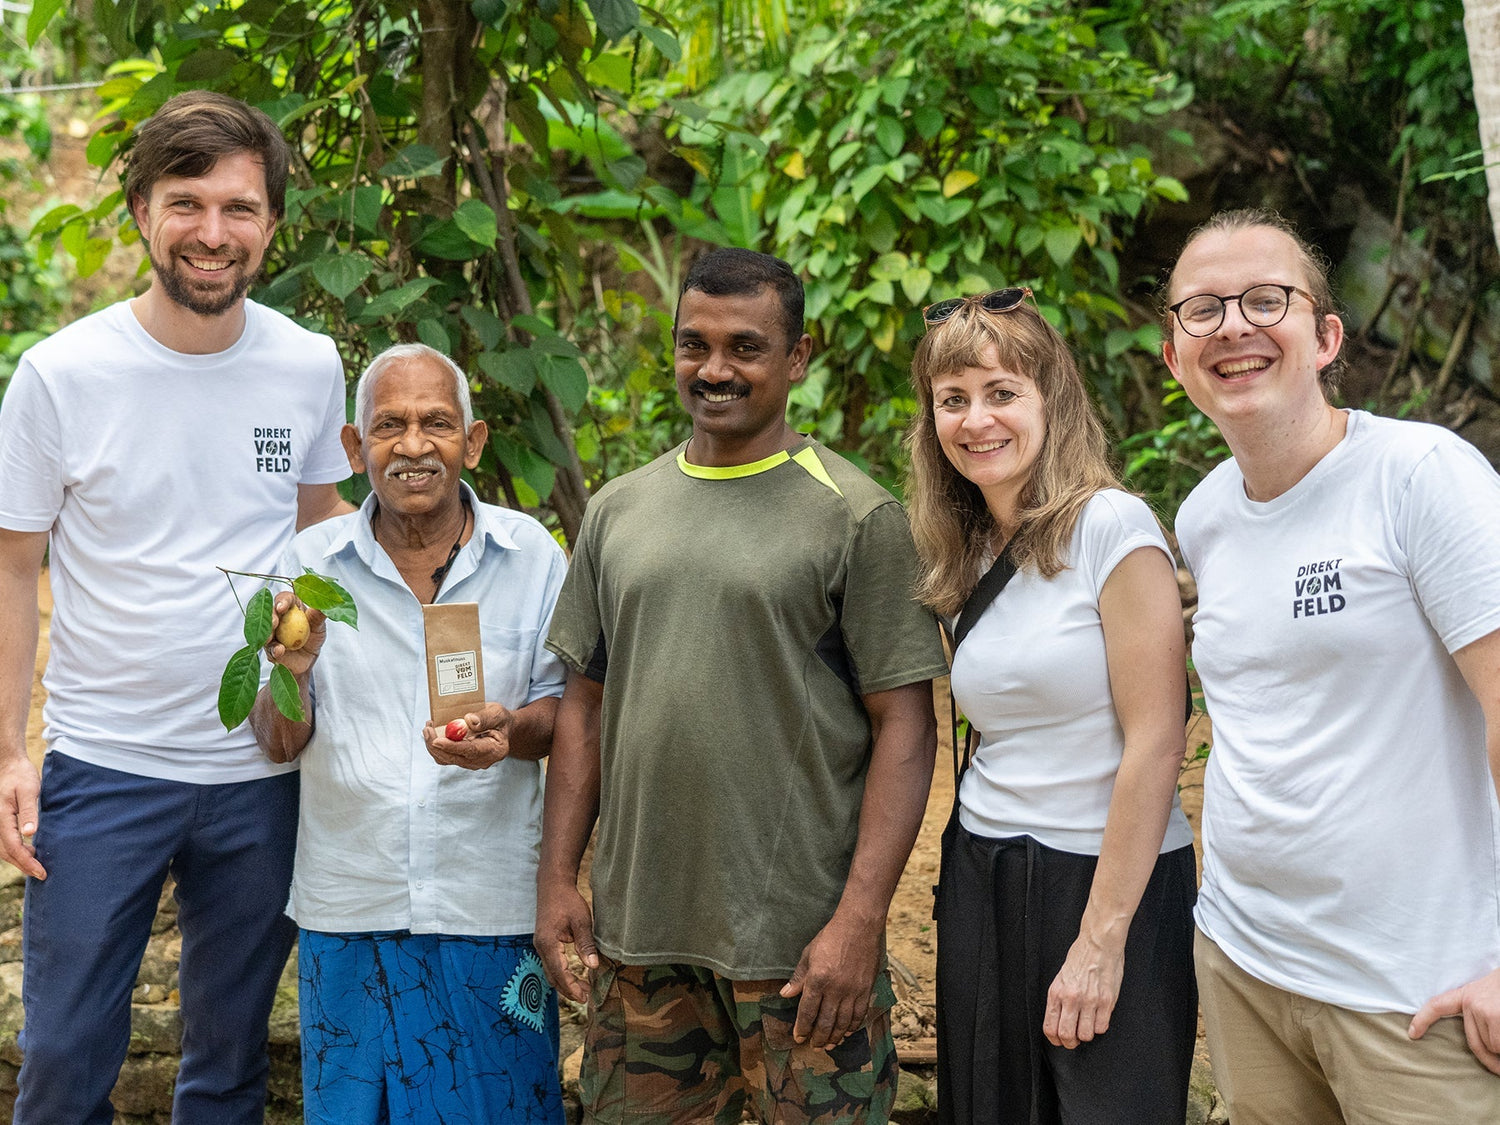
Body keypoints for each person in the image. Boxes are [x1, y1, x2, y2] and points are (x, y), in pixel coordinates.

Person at [0, 90, 351, 1121]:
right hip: (102, 769)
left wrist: (311, 704)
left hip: (259, 776)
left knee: (228, 1065)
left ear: (273, 225)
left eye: (239, 208)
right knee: (61, 1064)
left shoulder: (306, 364)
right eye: (187, 202)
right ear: (142, 210)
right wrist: (10, 754)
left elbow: (318, 550)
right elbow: (13, 570)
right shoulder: (61, 375)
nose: (212, 233)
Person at [535, 247, 948, 1123]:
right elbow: (585, 706)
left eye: (745, 347)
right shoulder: (617, 510)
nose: (714, 369)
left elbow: (906, 728)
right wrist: (559, 878)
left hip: (799, 951)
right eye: (694, 345)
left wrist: (860, 919)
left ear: (798, 357)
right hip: (641, 939)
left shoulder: (855, 514)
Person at [1163, 208, 1500, 1122]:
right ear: (1174, 355)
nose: (1232, 325)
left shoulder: (1423, 476)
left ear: (1324, 336)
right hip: (1245, 963)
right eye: (1202, 309)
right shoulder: (1204, 516)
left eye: (1265, 299)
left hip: (1417, 991)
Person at [251, 342, 568, 1124]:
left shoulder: (531, 557)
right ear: (355, 450)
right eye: (389, 426)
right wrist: (292, 671)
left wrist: (510, 728)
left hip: (490, 911)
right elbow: (275, 740)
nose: (415, 445)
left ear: (475, 440)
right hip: (350, 912)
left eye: (437, 423)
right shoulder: (306, 566)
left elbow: (569, 715)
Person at [904, 289, 1197, 1123]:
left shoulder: (1112, 526)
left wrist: (1102, 941)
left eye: (1002, 393)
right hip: (983, 875)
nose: (976, 420)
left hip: (1104, 881)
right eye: (953, 399)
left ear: (1050, 400)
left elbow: (1156, 738)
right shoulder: (968, 550)